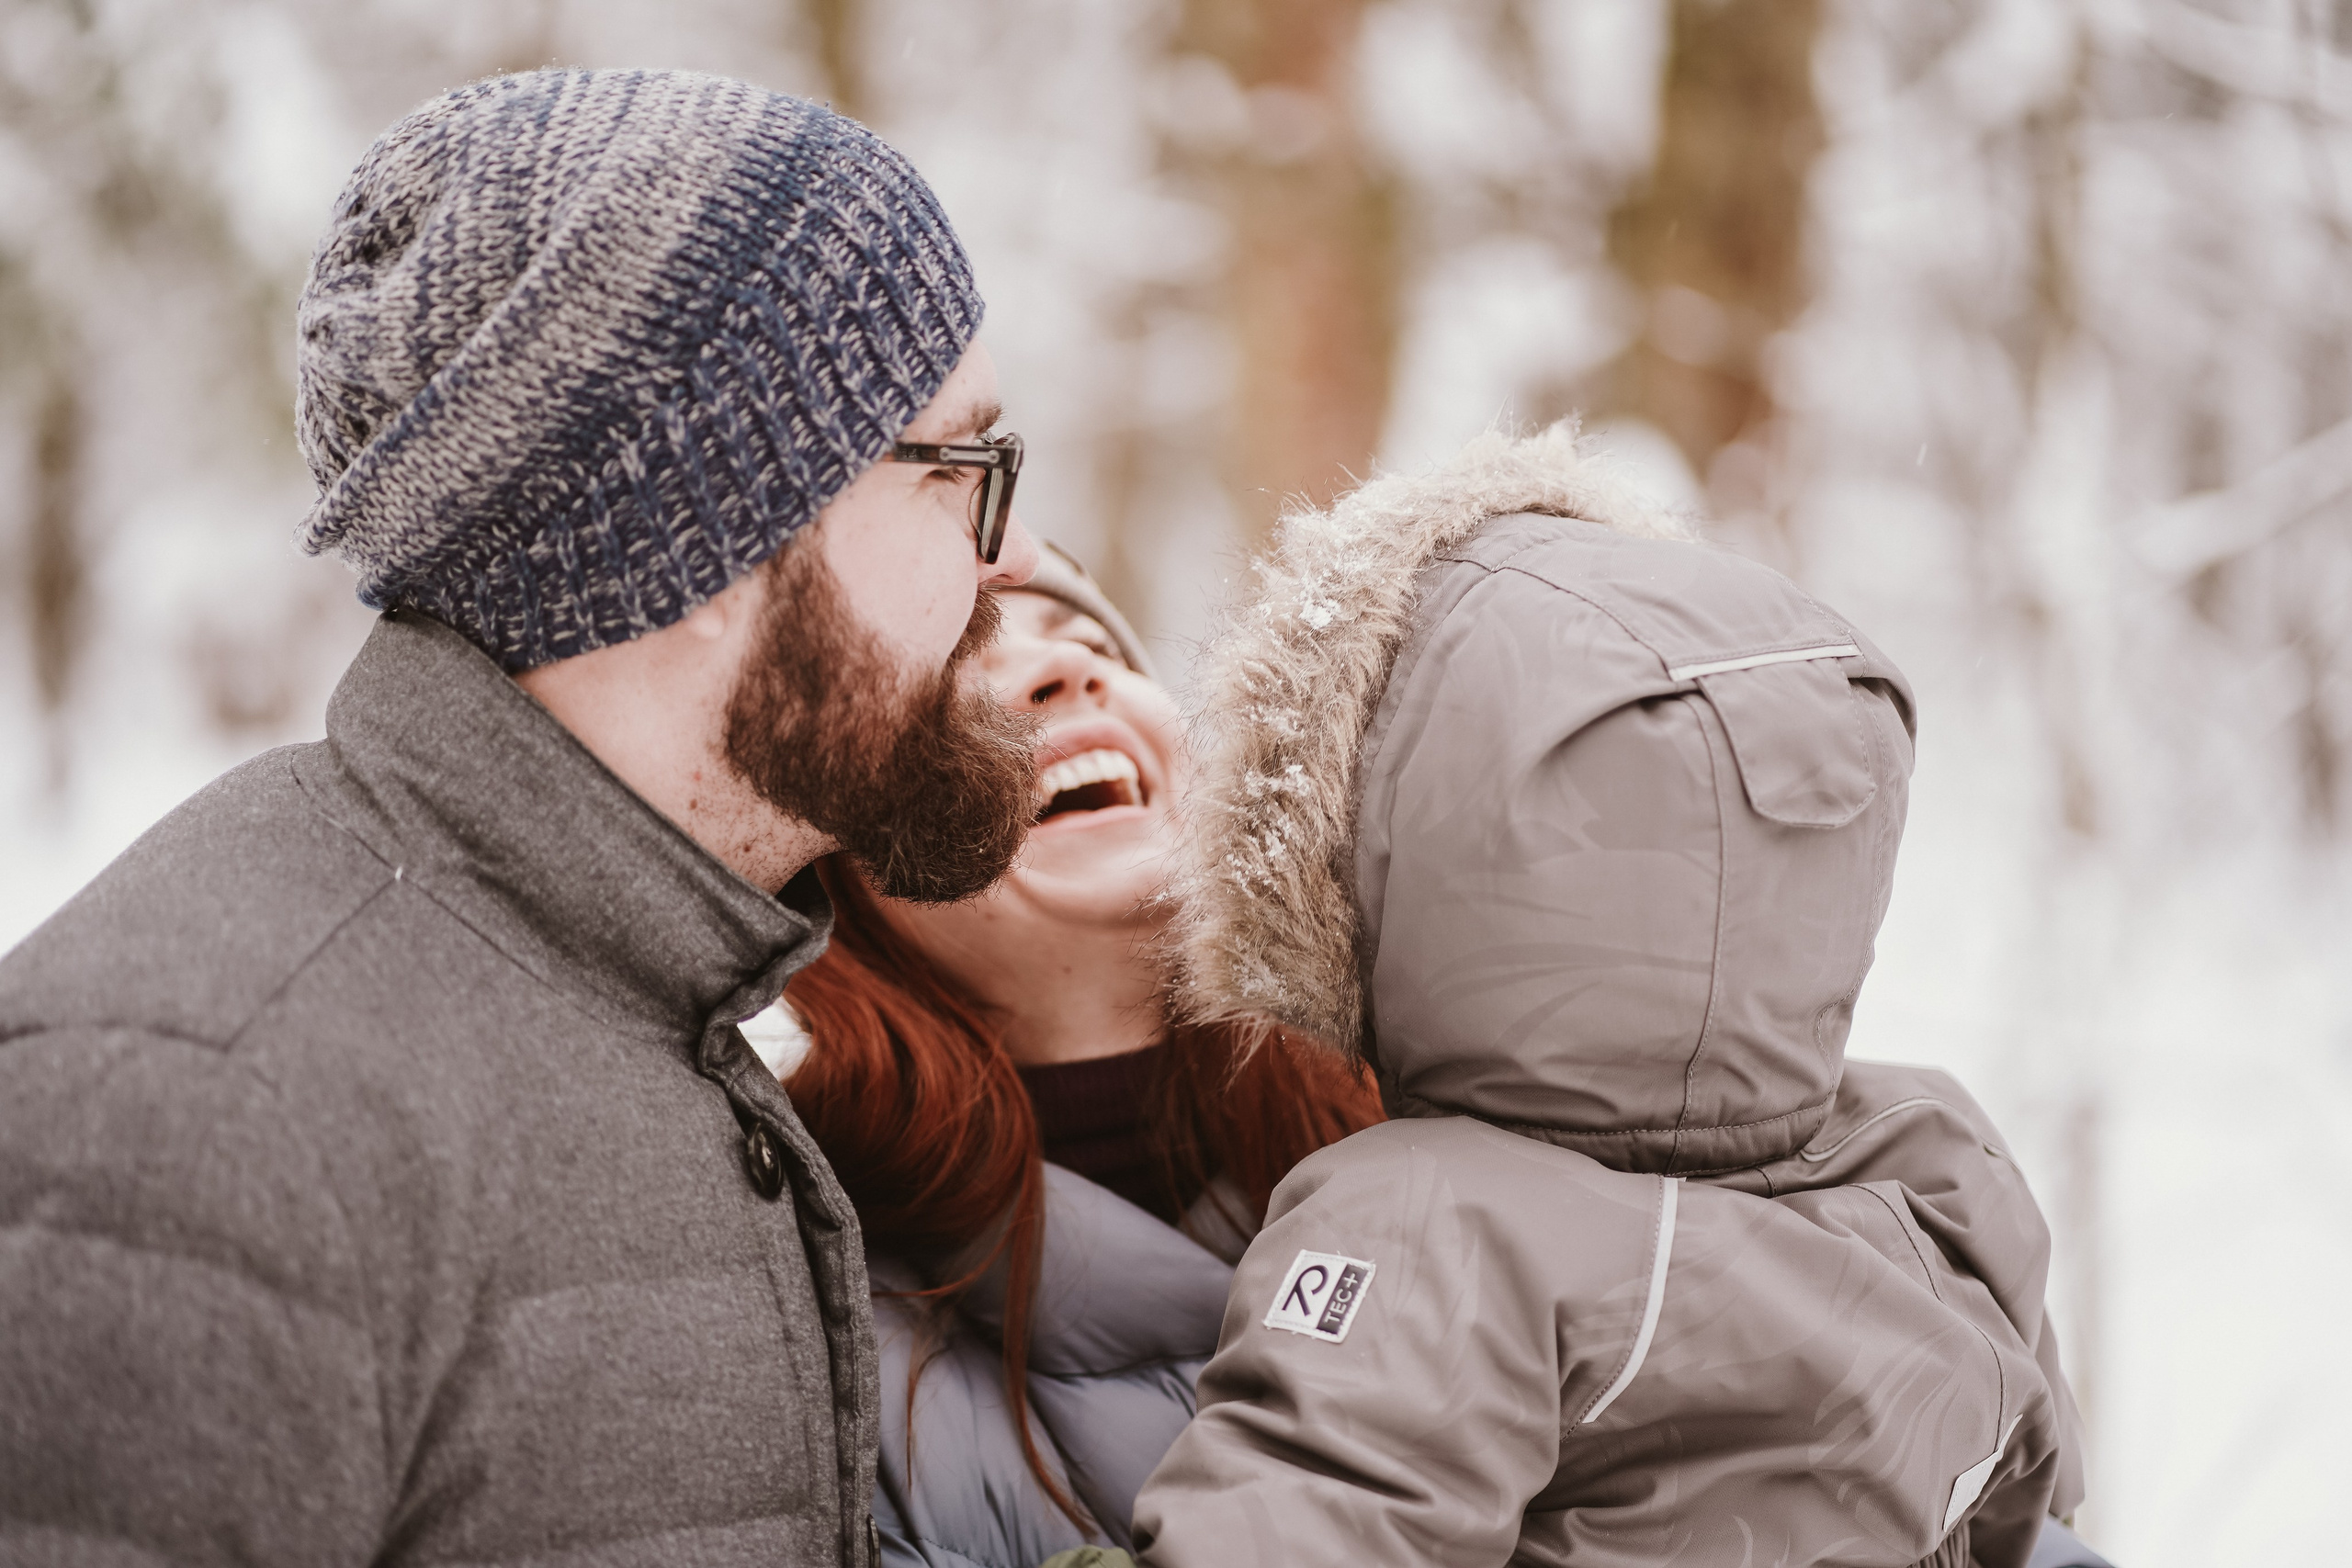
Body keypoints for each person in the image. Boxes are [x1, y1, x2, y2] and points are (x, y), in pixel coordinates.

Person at [0, 69, 1043, 1568]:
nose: (1008, 571)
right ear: (714, 541)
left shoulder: (651, 997)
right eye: (960, 472)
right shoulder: (188, 1118)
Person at [1131, 426, 2100, 1568]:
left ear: (1378, 872)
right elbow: (2034, 1507)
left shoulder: (1428, 1217)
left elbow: (1295, 1531)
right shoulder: (1935, 1155)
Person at [750, 546, 1385, 1568]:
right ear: (834, 878)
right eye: (955, 665)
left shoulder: (1449, 1122)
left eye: (1093, 643)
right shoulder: (789, 1323)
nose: (1070, 672)